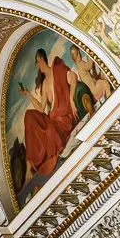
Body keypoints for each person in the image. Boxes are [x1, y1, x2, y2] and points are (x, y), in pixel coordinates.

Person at [19, 47, 77, 181]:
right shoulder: (45, 83)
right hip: (52, 119)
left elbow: (73, 77)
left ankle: (49, 160)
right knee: (29, 115)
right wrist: (28, 93)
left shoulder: (57, 69)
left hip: (63, 120)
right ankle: (29, 167)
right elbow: (40, 109)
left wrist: (71, 100)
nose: (36, 65)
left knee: (50, 130)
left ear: (40, 58)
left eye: (36, 61)